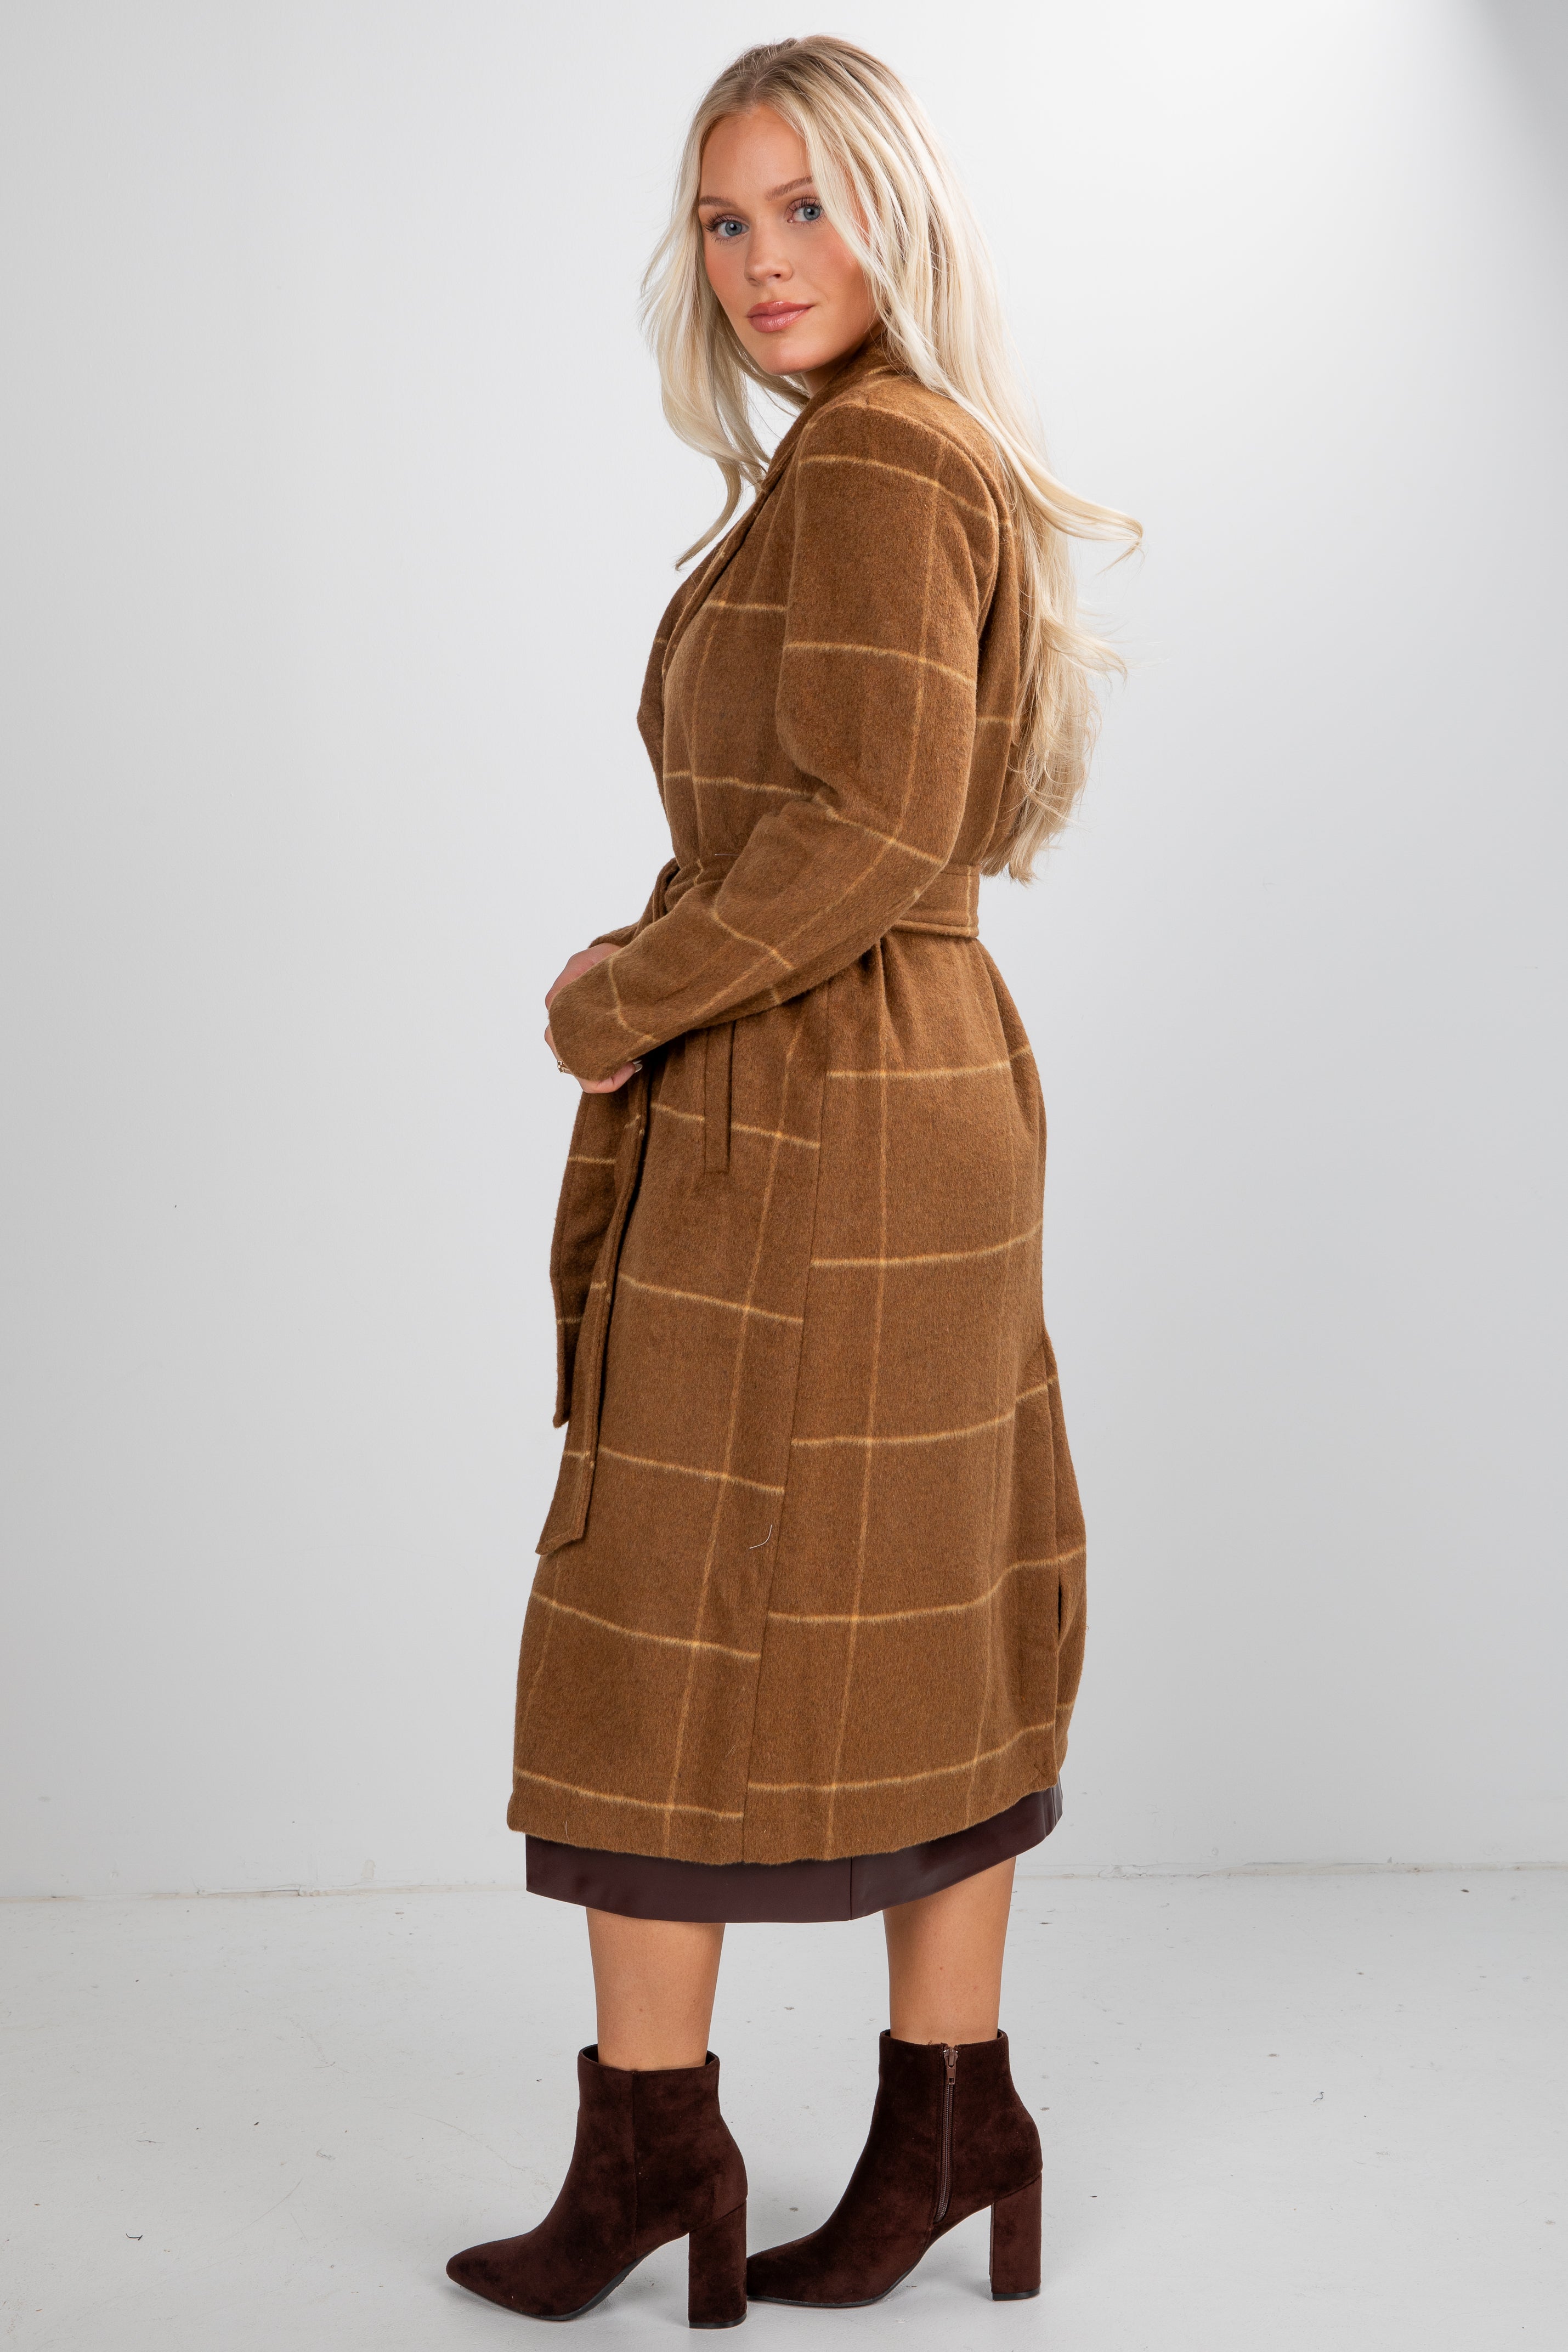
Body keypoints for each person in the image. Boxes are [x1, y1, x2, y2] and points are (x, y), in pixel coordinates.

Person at [446, 33, 1136, 2329]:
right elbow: (881, 824)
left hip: (820, 1106)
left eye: (805, 208)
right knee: (921, 1595)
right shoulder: (888, 456)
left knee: (672, 1598)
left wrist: (622, 988)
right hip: (902, 1087)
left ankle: (662, 2145)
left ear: (894, 218)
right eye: (726, 217)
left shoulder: (869, 470)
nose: (759, 259)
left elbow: (855, 827)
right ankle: (947, 2116)